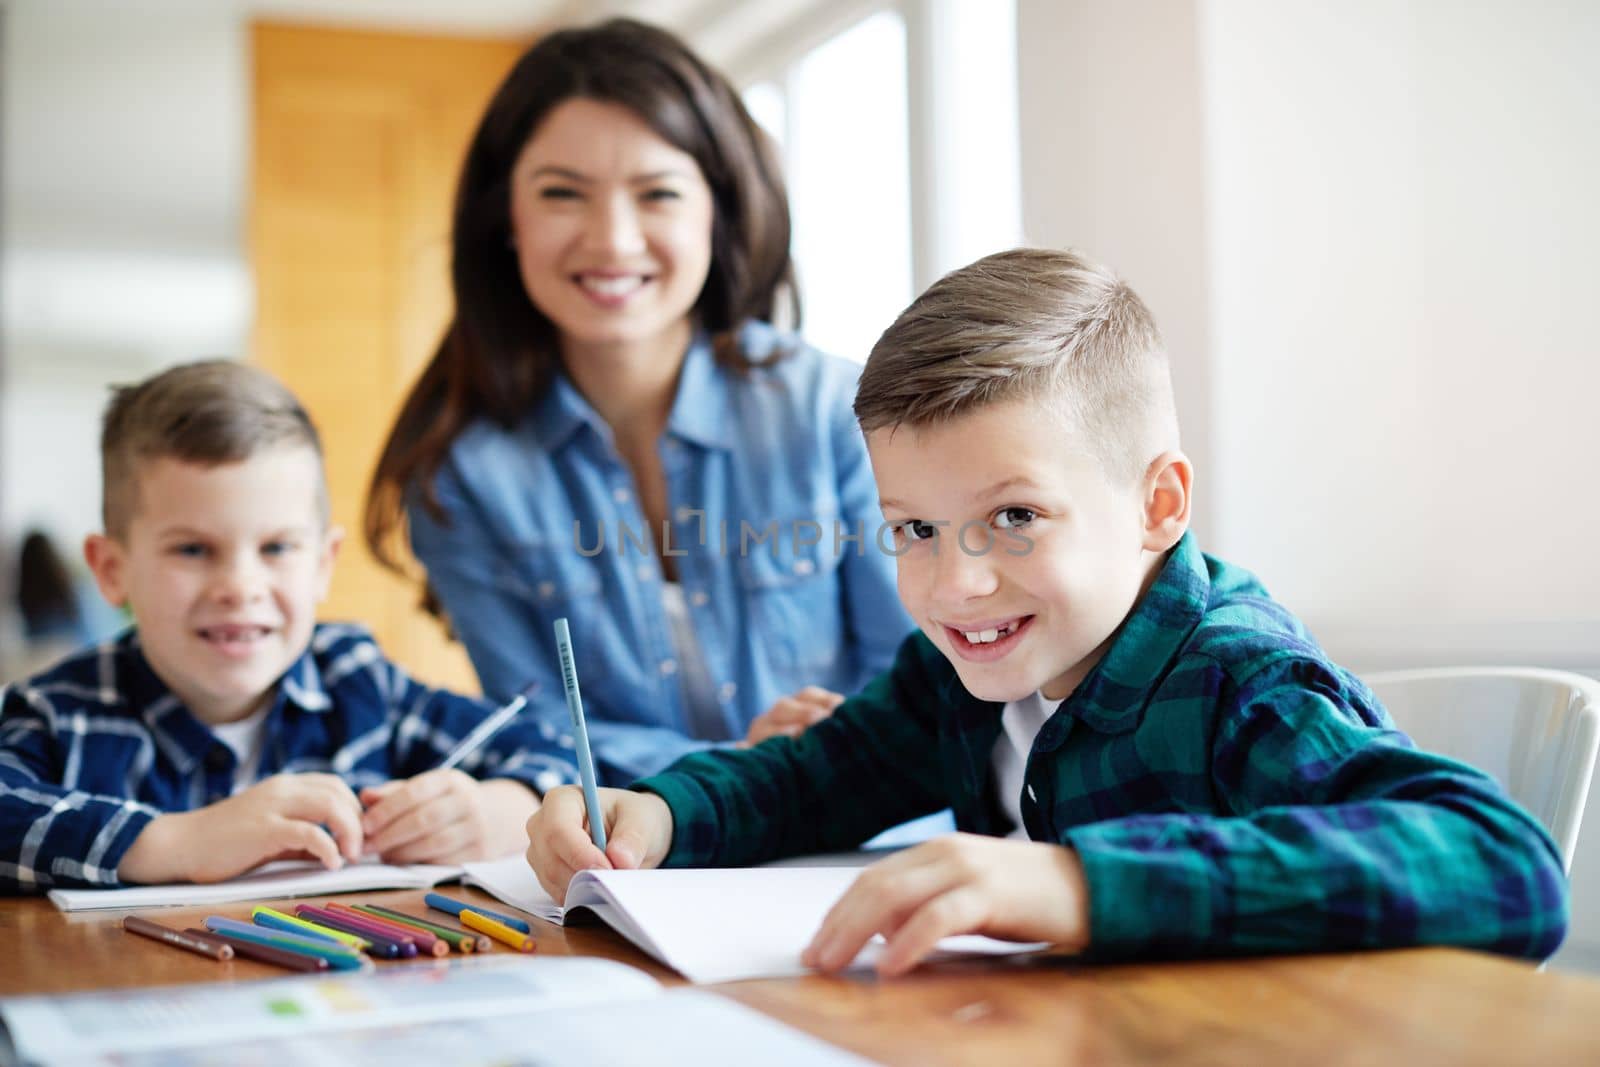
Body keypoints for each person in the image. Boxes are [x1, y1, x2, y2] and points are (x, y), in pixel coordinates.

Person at [525, 248, 1568, 972]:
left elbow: (1503, 864)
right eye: (913, 529)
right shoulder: (957, 675)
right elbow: (814, 776)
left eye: (1013, 515)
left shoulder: (1237, 680)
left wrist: (1078, 887)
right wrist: (660, 810)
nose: (954, 583)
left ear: (1157, 503)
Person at [363, 18, 912, 787]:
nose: (613, 241)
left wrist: (823, 753)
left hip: (863, 835)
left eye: (657, 193)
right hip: (639, 861)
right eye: (562, 194)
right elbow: (542, 728)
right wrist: (733, 772)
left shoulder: (832, 410)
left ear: (715, 212)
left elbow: (926, 673)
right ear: (506, 221)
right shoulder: (461, 477)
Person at [0, 361, 579, 891]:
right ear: (111, 570)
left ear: (323, 564)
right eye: (194, 549)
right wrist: (177, 841)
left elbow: (555, 750)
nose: (240, 587)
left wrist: (496, 810)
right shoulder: (59, 713)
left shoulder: (359, 683)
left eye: (276, 546)